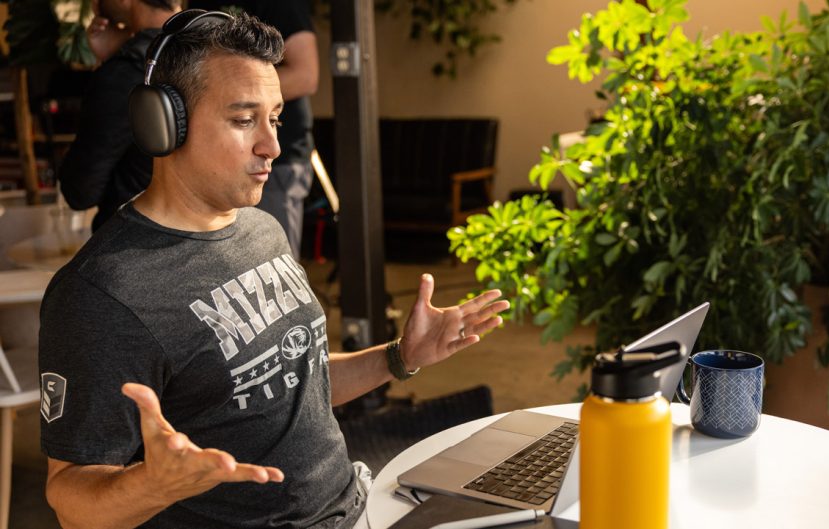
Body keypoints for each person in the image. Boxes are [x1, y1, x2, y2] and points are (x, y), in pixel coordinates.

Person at [38, 11, 508, 529]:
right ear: (165, 125)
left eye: (276, 118)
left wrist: (400, 356)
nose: (273, 147)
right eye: (244, 121)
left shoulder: (261, 229)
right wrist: (152, 484)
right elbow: (69, 496)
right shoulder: (102, 294)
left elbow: (296, 380)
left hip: (357, 505)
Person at [189, 0, 319, 260]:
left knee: (269, 272)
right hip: (215, 161)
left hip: (277, 169)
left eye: (274, 119)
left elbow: (306, 75)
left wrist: (232, 95)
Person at [58, 0, 182, 232]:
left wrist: (113, 65)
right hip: (212, 238)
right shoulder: (211, 49)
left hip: (135, 241)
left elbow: (80, 191)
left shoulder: (126, 71)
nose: (94, 3)